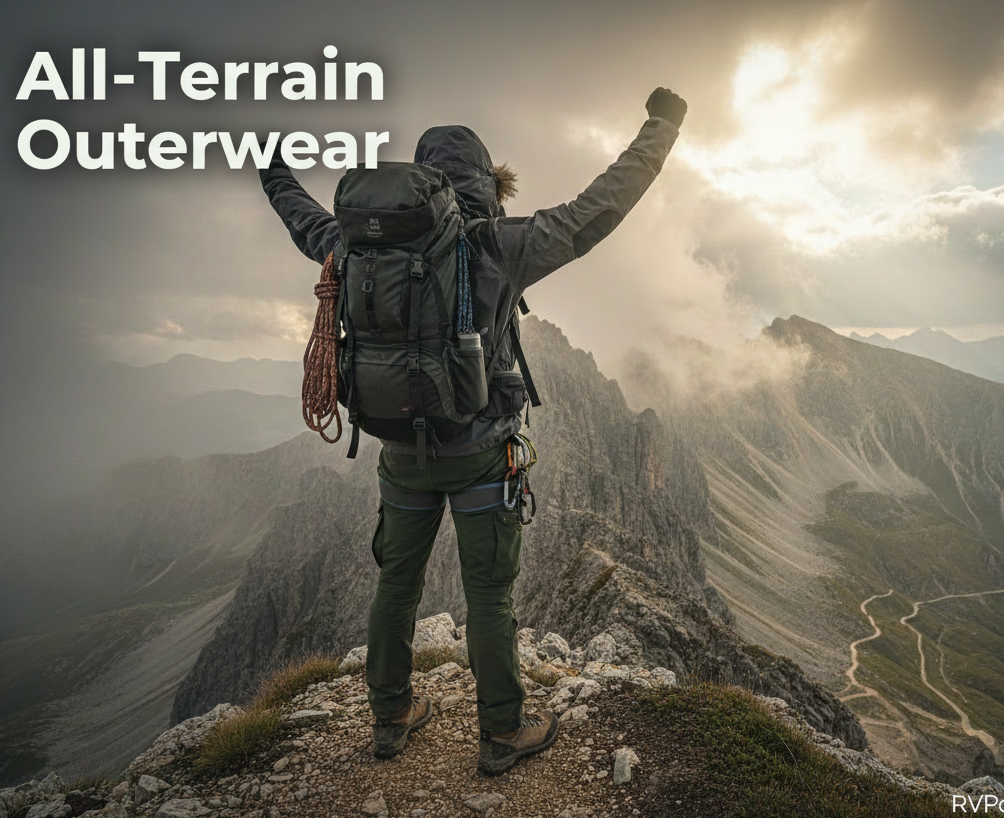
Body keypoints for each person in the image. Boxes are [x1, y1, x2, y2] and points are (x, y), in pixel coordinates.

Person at [257, 87, 686, 775]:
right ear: (485, 183)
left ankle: (391, 717)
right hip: (484, 454)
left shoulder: (355, 247)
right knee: (489, 594)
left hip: (400, 455)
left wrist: (269, 161)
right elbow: (598, 210)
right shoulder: (499, 245)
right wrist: (661, 129)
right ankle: (502, 732)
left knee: (396, 586)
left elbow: (298, 213)